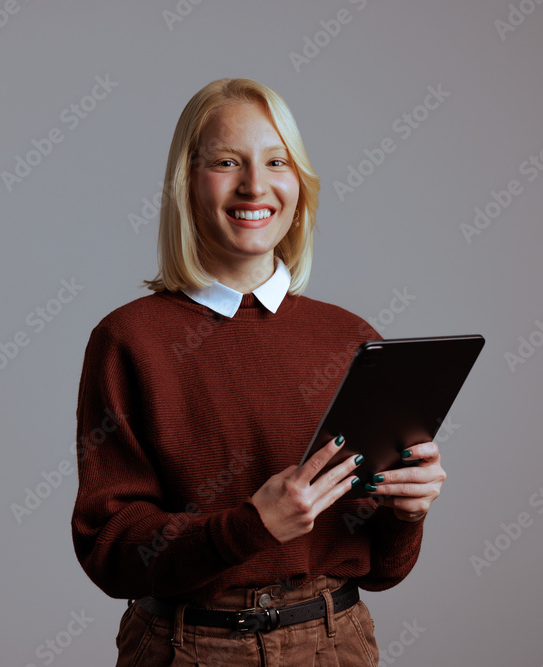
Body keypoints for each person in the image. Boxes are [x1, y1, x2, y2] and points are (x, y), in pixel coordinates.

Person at [71, 78, 446, 666]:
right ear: (187, 184)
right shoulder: (128, 340)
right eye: (226, 161)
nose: (255, 184)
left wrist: (408, 512)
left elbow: (382, 570)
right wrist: (247, 528)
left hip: (333, 640)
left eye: (277, 161)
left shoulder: (352, 339)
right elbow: (110, 548)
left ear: (299, 185)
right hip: (186, 647)